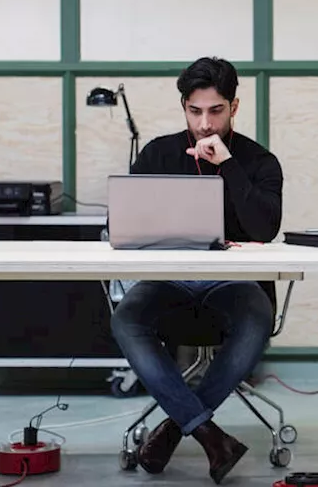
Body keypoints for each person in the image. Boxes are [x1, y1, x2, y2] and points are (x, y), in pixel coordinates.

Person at [110, 57, 284, 484]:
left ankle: (174, 428)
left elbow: (265, 227)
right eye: (195, 111)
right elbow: (123, 226)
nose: (205, 123)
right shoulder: (157, 153)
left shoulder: (260, 162)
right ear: (184, 107)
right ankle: (207, 433)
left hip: (234, 286)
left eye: (216, 111)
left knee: (257, 317)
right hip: (169, 282)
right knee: (126, 319)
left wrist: (227, 164)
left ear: (235, 107)